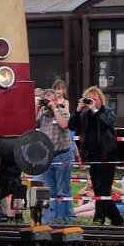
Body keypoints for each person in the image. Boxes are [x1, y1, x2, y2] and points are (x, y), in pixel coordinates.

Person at [69, 86, 123, 226]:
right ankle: (117, 219)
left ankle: (99, 220)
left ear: (100, 99)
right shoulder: (85, 114)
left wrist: (95, 110)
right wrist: (77, 110)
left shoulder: (107, 111)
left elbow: (107, 123)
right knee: (99, 190)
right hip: (92, 157)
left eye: (94, 98)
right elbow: (71, 126)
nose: (92, 101)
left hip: (107, 156)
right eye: (89, 99)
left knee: (103, 190)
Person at [35, 87, 73, 224]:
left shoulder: (63, 112)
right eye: (47, 101)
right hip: (47, 157)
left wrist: (55, 109)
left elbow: (64, 125)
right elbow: (31, 123)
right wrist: (37, 107)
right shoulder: (42, 115)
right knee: (48, 190)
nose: (49, 103)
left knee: (63, 189)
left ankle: (63, 218)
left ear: (56, 101)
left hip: (62, 155)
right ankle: (49, 219)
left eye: (52, 100)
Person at [75, 156, 124, 220]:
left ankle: (75, 216)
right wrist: (113, 194)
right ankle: (73, 211)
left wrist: (109, 186)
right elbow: (121, 196)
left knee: (103, 209)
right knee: (99, 203)